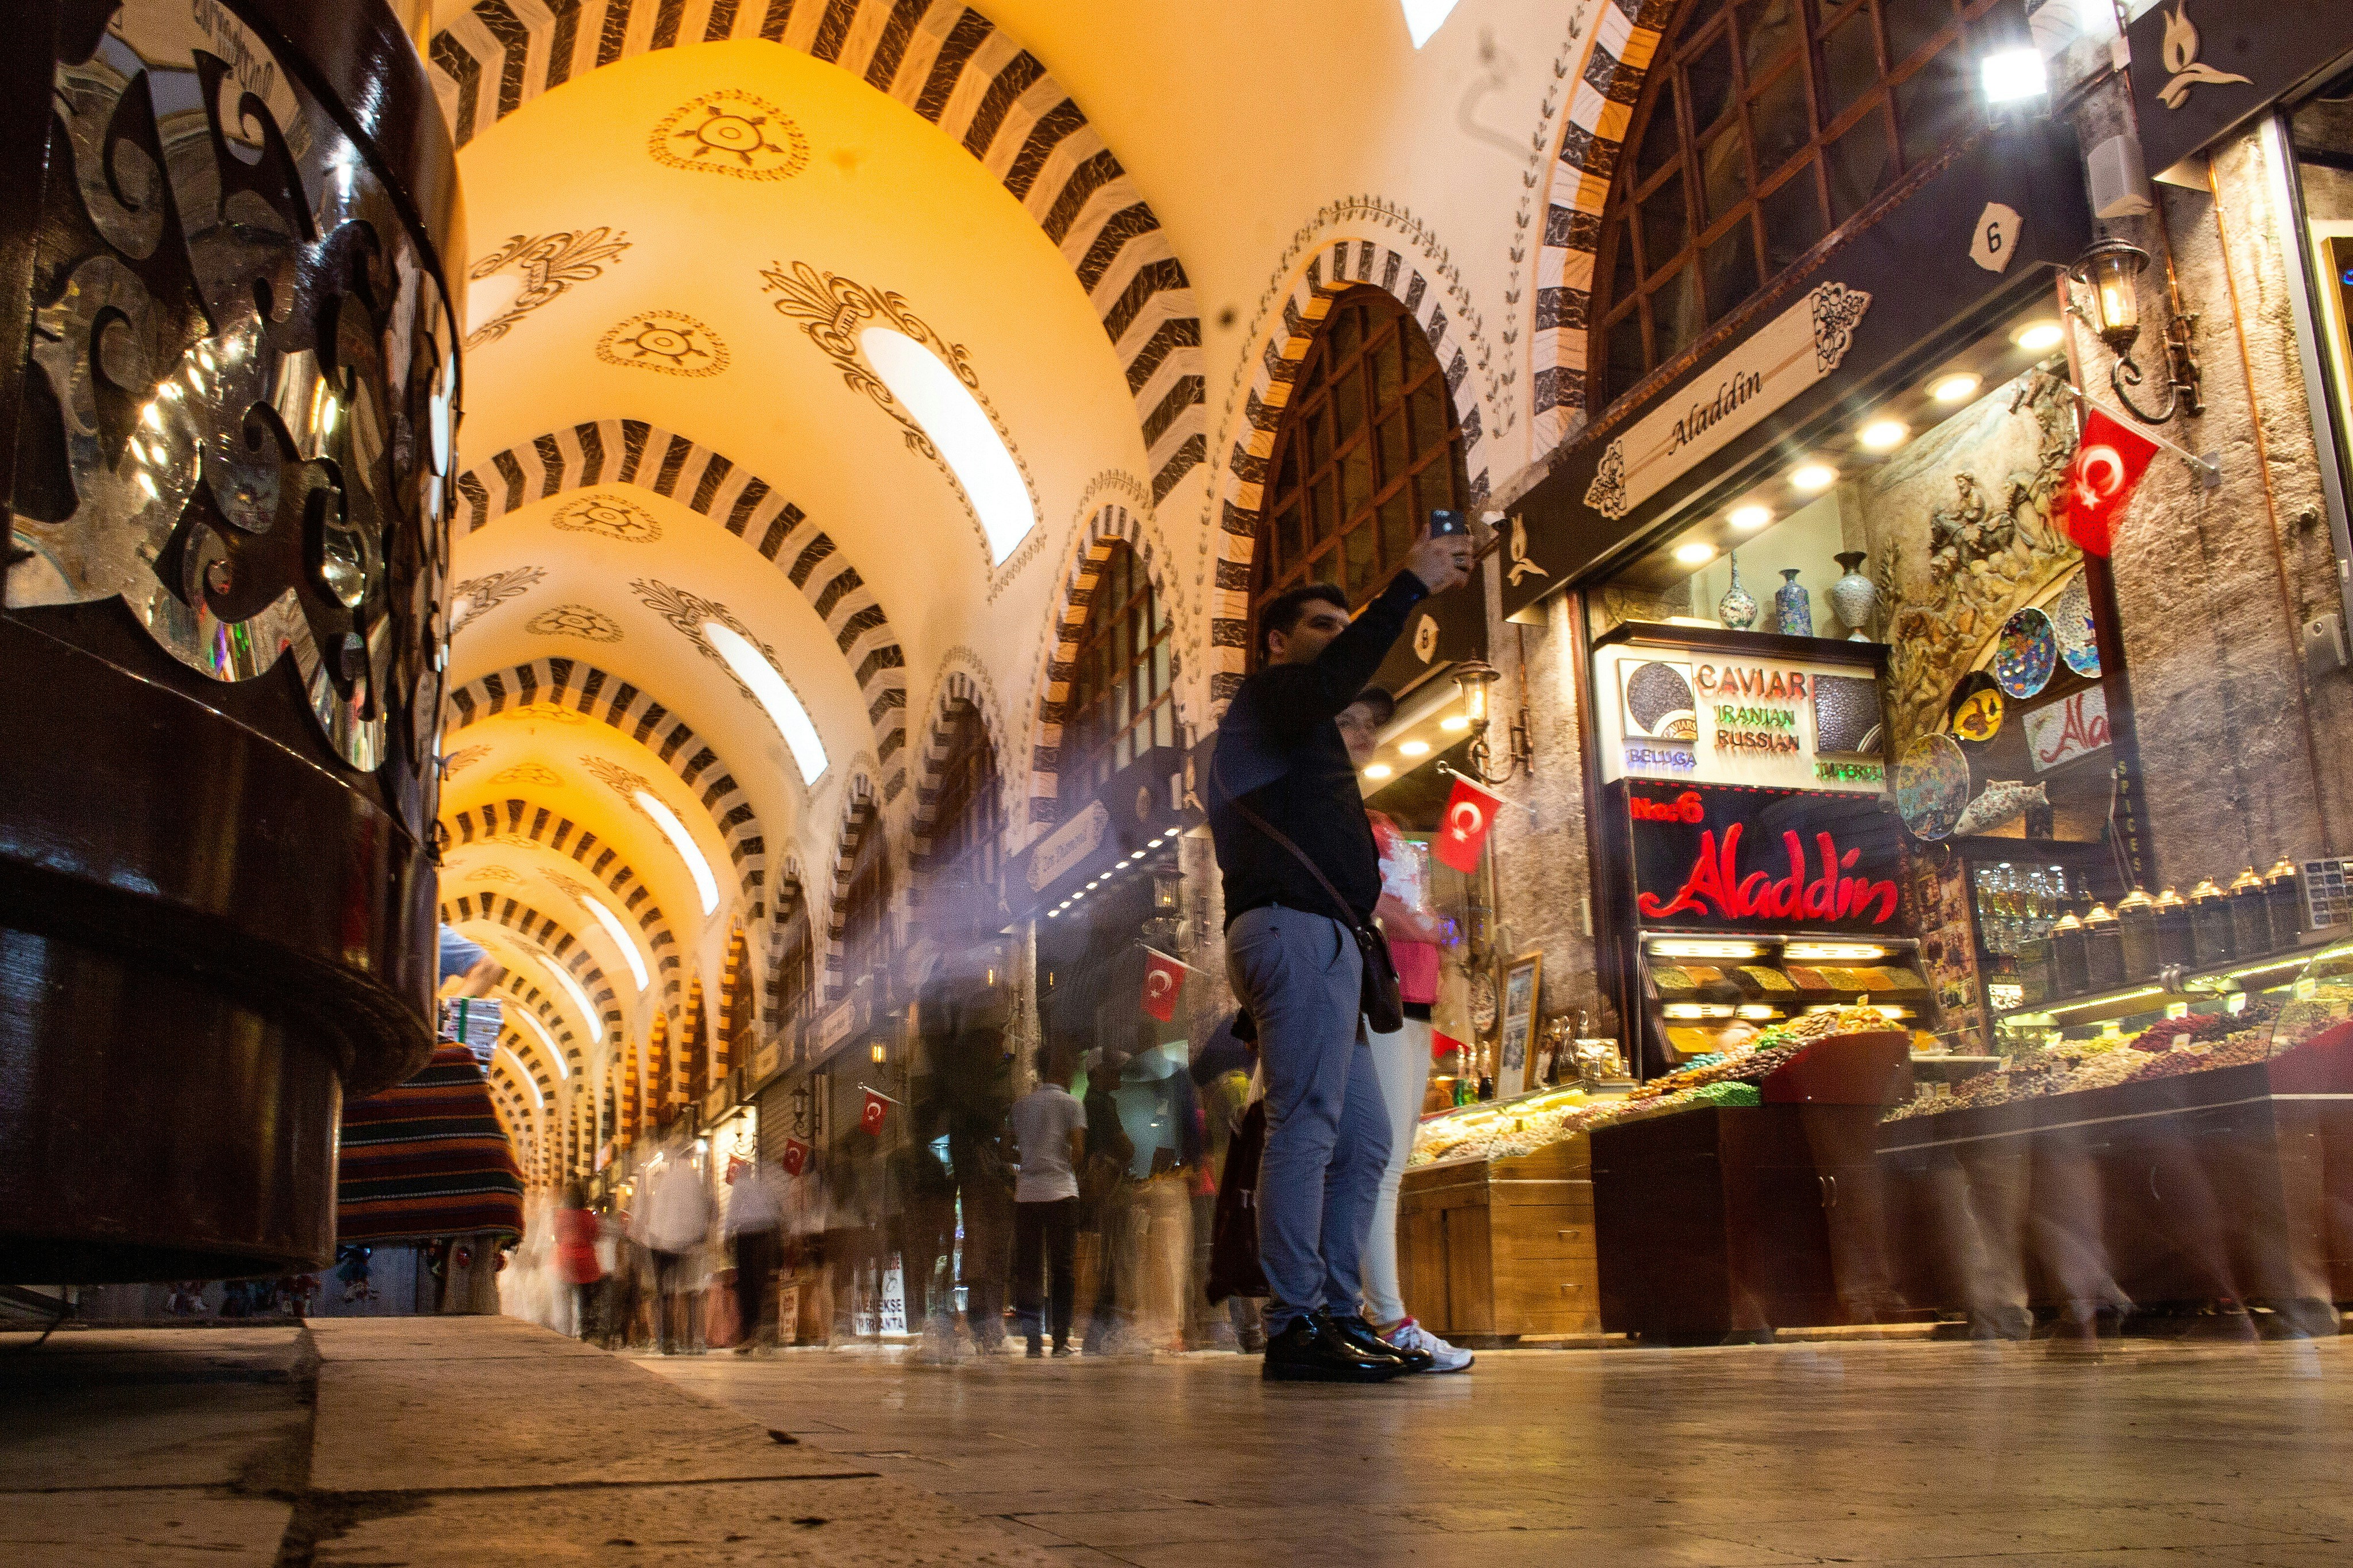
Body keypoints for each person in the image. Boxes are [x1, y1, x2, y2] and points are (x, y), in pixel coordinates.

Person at [1207, 523, 1472, 1382]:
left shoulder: (1303, 734)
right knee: (1309, 1122)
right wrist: (1408, 585)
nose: (1334, 634)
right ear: (1279, 642)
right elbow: (1327, 678)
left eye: (1341, 621)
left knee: (1363, 1139)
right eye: (1320, 623)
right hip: (1291, 928)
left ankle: (1330, 1309)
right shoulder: (1270, 700)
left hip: (1332, 945)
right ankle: (1292, 1325)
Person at [1336, 689, 1475, 1374]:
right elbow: (1353, 894)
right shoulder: (1340, 819)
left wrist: (1432, 928)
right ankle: (1388, 1316)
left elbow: (1403, 903)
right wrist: (1411, 921)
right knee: (1381, 1160)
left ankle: (1382, 1311)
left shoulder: (1380, 819)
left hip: (1411, 995)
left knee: (1391, 1159)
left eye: (1370, 725)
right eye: (1348, 722)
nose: (1363, 735)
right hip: (1377, 994)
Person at [1008, 1047, 1086, 1357]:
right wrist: (1059, 1161)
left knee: (1029, 1269)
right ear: (1057, 1066)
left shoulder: (1021, 1107)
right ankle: (1061, 1339)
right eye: (1067, 1062)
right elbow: (1078, 1151)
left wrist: (1030, 1160)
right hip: (1061, 1193)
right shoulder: (1072, 1105)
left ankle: (1031, 1342)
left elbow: (1006, 1151)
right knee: (1062, 1268)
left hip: (1026, 1195)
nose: (1070, 1068)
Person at [722, 1151, 785, 1353]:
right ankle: (764, 1332)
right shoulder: (767, 1185)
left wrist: (726, 1235)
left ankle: (750, 1334)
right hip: (767, 1235)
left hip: (747, 1237)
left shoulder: (742, 1186)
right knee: (763, 1283)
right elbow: (778, 1211)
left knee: (747, 1285)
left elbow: (732, 1211)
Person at [553, 1182, 603, 1340]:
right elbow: (595, 1235)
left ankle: (566, 1333)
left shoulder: (561, 1216)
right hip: (586, 1263)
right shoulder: (588, 1216)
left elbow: (558, 1238)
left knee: (566, 1299)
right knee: (582, 1297)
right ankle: (582, 1331)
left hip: (566, 1262)